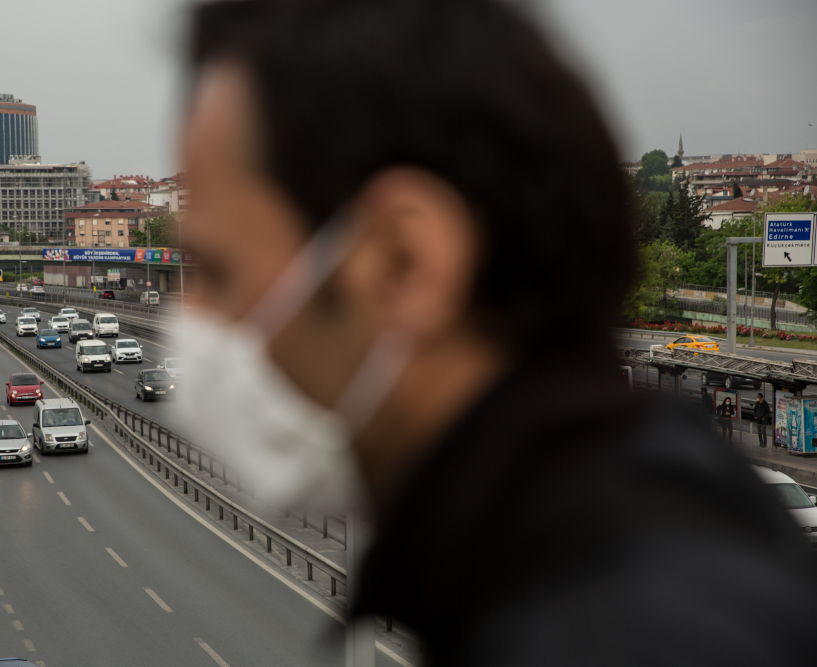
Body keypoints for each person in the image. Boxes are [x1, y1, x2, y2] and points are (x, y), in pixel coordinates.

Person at [178, 1, 817, 665]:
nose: (190, 321)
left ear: (405, 262)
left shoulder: (598, 633)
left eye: (217, 271)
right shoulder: (665, 545)